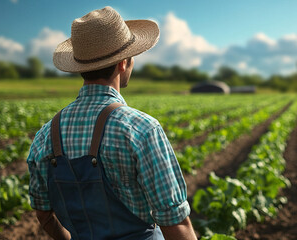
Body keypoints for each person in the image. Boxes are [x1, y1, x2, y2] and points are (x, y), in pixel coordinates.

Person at [27, 6, 197, 240]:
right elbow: (176, 225)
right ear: (123, 63)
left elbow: (43, 213)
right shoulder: (141, 129)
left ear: (81, 68)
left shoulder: (45, 135)